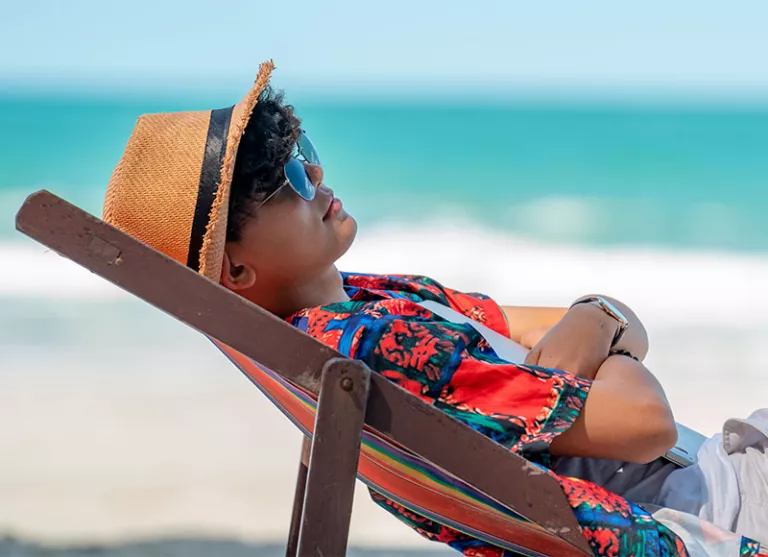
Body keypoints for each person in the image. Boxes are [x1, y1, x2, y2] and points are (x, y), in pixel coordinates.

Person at [100, 61, 765, 555]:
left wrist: (596, 319)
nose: (319, 178)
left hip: (721, 476)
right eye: (290, 178)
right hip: (724, 513)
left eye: (306, 153)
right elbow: (644, 419)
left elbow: (567, 324)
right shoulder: (369, 347)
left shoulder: (371, 298)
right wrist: (604, 328)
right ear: (237, 268)